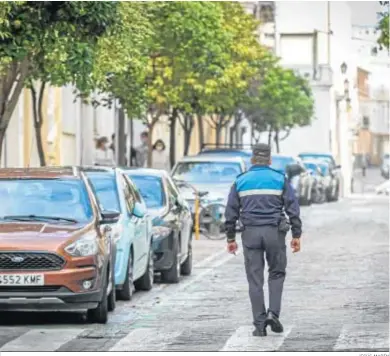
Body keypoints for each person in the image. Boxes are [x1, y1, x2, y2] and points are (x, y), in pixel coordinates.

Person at [224, 143, 302, 337]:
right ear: (269, 160)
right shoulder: (279, 179)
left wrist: (231, 238)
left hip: (250, 234)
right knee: (276, 274)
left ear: (252, 160)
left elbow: (230, 212)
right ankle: (273, 314)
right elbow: (293, 208)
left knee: (255, 280)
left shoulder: (240, 181)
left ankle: (259, 325)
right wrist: (297, 235)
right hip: (275, 233)